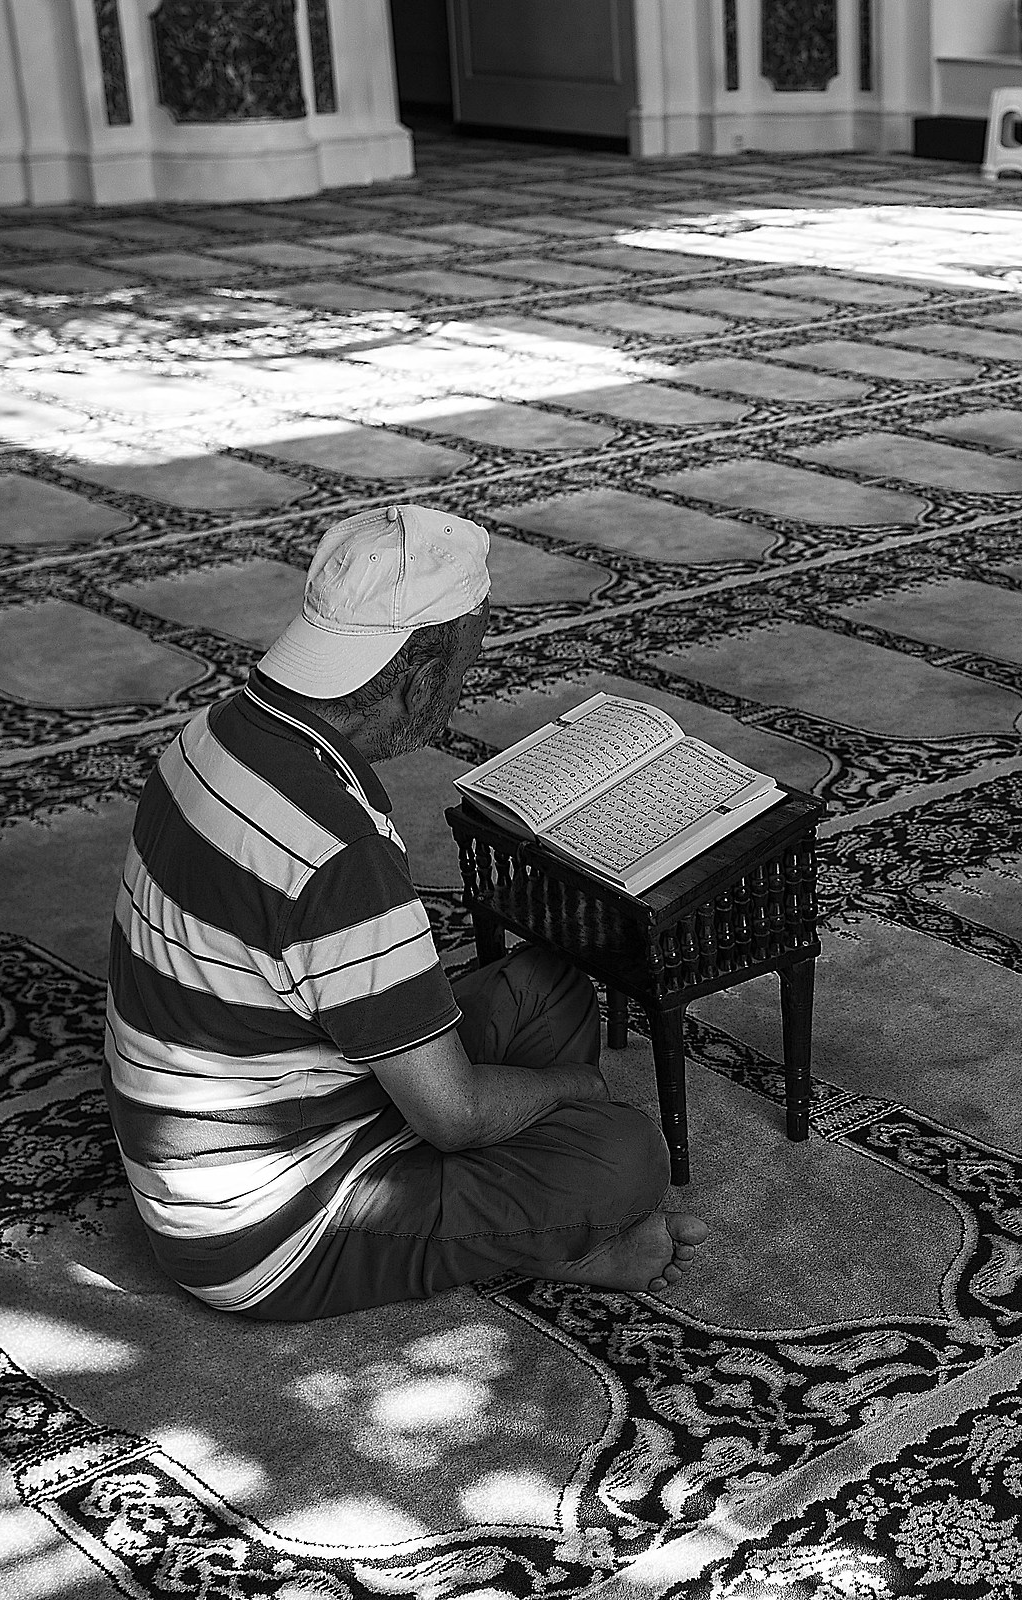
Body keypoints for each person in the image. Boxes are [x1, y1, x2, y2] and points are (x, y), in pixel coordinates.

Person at [102, 504, 708, 1321]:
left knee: (547, 987)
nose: (463, 690)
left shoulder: (214, 731)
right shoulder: (338, 851)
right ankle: (568, 1237)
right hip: (263, 1229)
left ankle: (537, 1223)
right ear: (419, 676)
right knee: (628, 1157)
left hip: (237, 1121)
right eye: (465, 666)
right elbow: (453, 1117)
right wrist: (570, 1086)